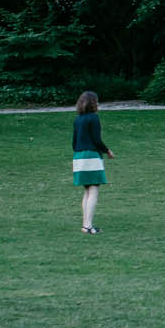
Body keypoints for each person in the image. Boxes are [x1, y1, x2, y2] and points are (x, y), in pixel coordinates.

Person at [72, 89, 116, 234]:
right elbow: (97, 140)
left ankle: (86, 225)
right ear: (93, 103)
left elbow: (74, 142)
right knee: (94, 190)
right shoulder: (94, 118)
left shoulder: (77, 119)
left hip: (78, 156)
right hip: (91, 155)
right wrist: (107, 151)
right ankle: (88, 225)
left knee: (87, 190)